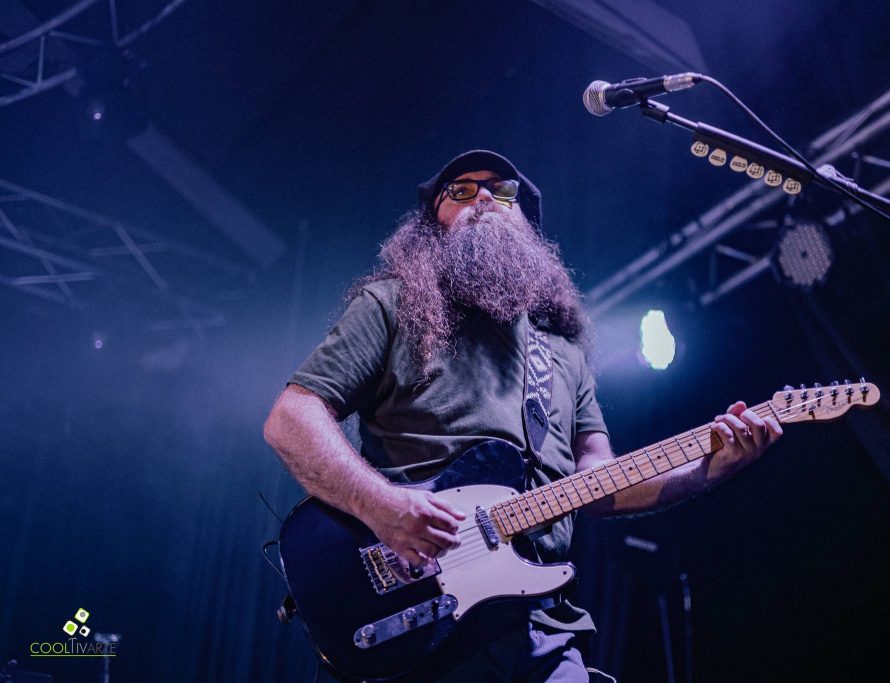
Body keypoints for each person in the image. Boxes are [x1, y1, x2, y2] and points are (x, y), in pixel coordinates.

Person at [263, 150, 783, 681]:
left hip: (541, 630)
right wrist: (383, 507)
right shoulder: (392, 306)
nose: (484, 198)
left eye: (500, 191)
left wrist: (706, 470)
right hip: (419, 611)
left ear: (527, 227)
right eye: (461, 191)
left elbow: (598, 484)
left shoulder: (563, 353)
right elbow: (291, 418)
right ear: (431, 226)